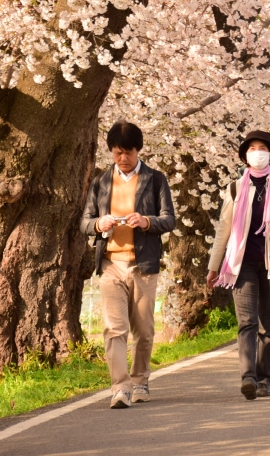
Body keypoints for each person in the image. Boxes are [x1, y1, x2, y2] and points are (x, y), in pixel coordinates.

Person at [80, 122, 177, 409]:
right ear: (111, 151)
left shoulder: (156, 179)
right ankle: (119, 388)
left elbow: (169, 219)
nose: (123, 158)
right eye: (118, 152)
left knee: (144, 330)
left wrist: (146, 221)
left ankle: (140, 381)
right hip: (111, 263)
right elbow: (85, 222)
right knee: (114, 328)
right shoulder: (101, 182)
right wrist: (99, 223)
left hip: (143, 264)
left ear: (139, 150)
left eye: (129, 152)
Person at [208, 130, 270, 400]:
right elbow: (223, 229)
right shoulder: (235, 188)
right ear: (245, 155)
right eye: (252, 148)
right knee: (246, 322)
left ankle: (265, 379)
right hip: (242, 263)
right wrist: (214, 267)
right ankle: (248, 376)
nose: (257, 152)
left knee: (267, 326)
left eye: (262, 148)